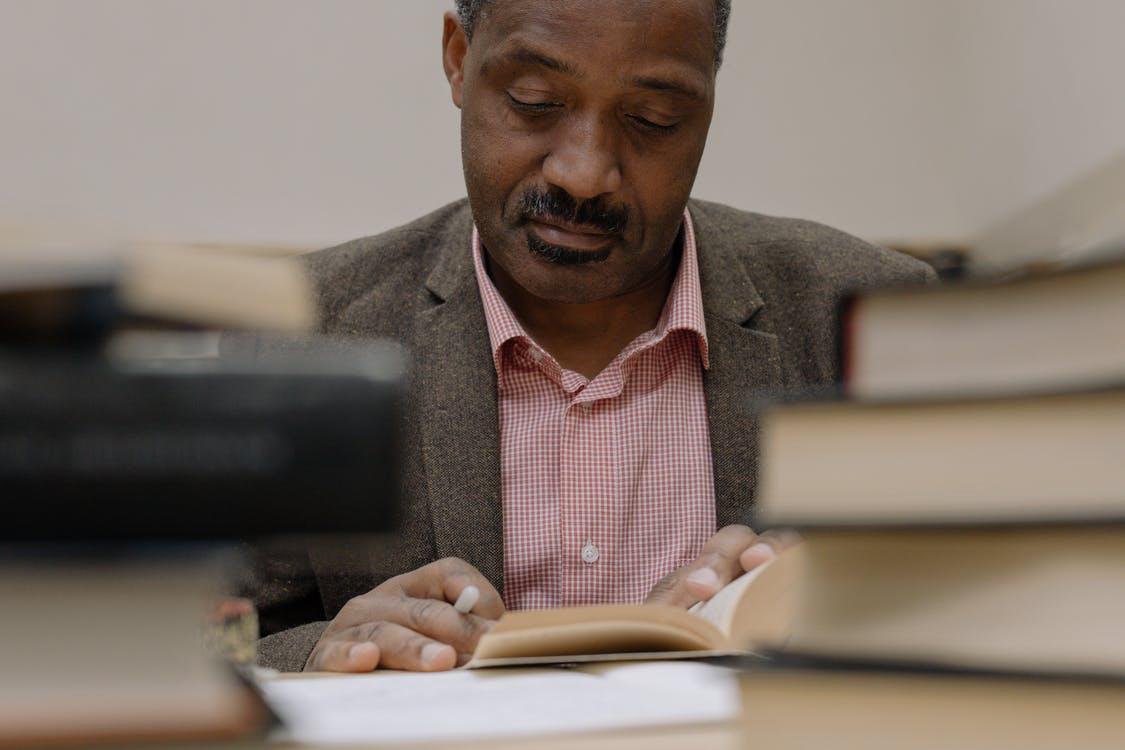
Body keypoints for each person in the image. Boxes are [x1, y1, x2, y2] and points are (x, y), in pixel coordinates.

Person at [244, 0, 935, 673]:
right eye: (534, 99)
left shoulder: (867, 317)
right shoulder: (301, 336)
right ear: (459, 60)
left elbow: (977, 608)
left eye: (651, 119)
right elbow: (199, 637)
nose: (583, 172)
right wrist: (323, 654)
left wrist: (821, 608)